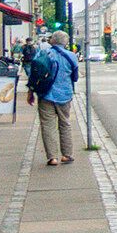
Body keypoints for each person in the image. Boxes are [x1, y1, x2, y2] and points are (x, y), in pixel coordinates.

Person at [28, 30, 79, 166]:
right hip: (65, 94)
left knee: (47, 126)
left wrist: (31, 91)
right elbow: (75, 77)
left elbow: (34, 74)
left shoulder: (43, 53)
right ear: (65, 42)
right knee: (65, 124)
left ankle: (52, 157)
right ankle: (67, 155)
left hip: (46, 94)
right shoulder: (71, 56)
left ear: (52, 41)